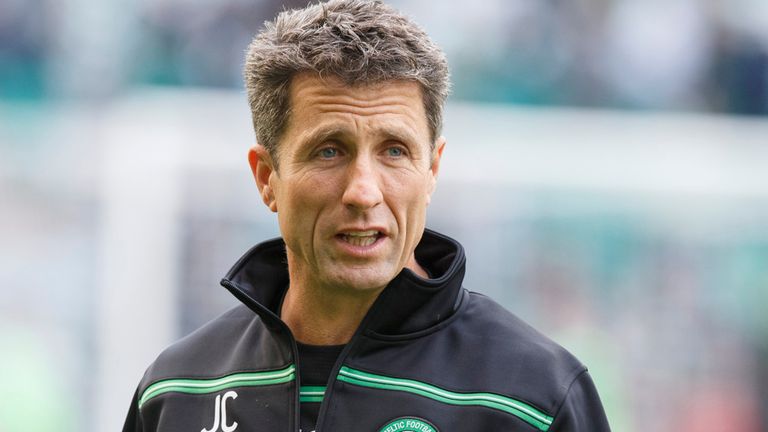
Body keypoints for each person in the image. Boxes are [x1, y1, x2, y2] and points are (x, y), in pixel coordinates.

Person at [122, 1, 611, 431]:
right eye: (330, 151)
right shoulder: (177, 391)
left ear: (432, 170)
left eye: (394, 151)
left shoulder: (536, 400)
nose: (363, 191)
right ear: (267, 176)